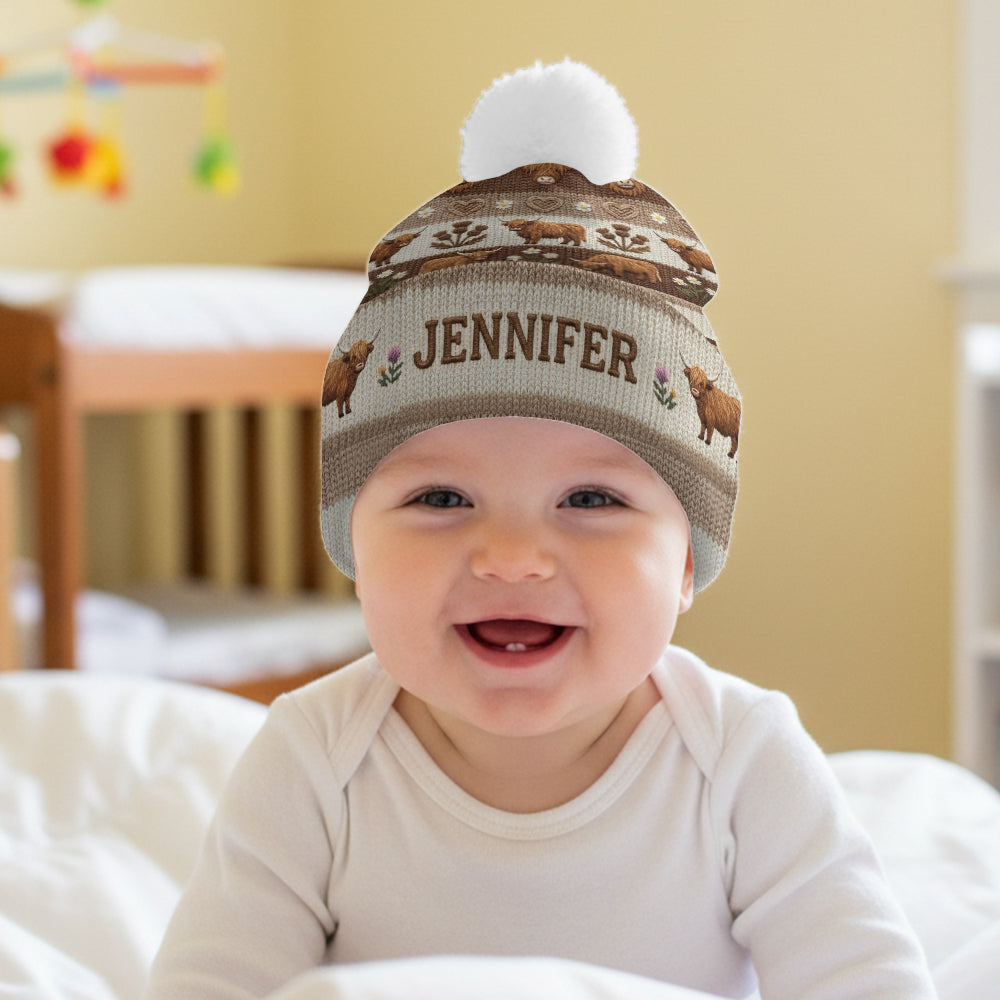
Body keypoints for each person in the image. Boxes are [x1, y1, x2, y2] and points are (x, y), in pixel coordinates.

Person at [144, 61, 936, 1000]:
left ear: (688, 559)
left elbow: (866, 980)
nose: (513, 558)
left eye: (591, 500)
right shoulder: (314, 760)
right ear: (353, 542)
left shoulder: (740, 761)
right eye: (442, 499)